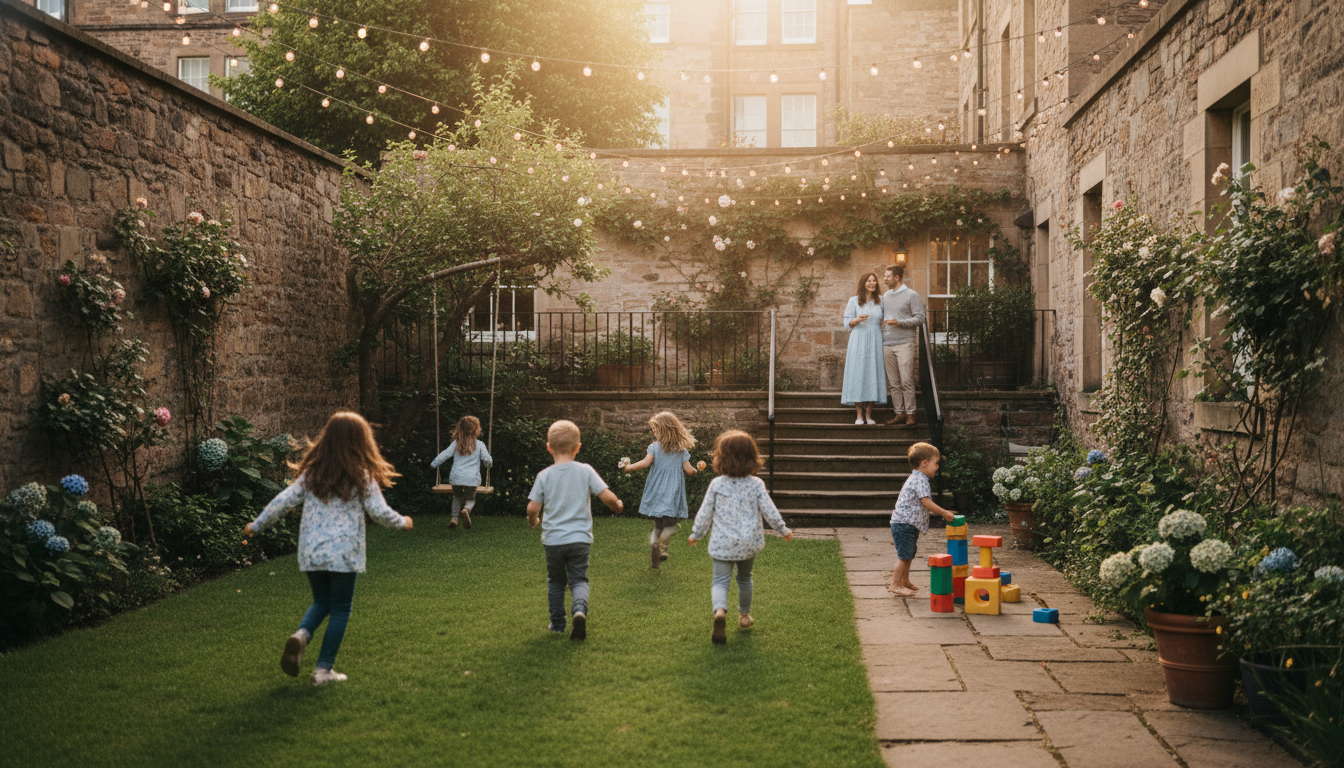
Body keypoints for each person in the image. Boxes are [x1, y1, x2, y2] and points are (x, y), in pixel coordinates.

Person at [245, 411, 413, 686]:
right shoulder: (361, 475)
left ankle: (301, 635)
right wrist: (403, 522)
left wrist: (257, 524)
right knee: (341, 609)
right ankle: (323, 671)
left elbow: (283, 500)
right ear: (362, 442)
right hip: (344, 554)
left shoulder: (312, 474)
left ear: (327, 440)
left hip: (312, 551)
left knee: (322, 601)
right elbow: (380, 512)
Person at [689, 430, 793, 645]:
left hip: (722, 543)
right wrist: (783, 530)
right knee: (745, 578)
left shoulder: (717, 484)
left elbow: (705, 513)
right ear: (752, 457)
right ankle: (744, 616)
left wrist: (696, 534)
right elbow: (769, 510)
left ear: (720, 458)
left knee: (720, 581)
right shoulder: (756, 484)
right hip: (749, 543)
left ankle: (719, 611)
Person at [527, 420, 624, 641]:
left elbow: (532, 507)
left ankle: (558, 624)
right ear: (577, 447)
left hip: (553, 540)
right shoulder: (585, 470)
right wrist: (617, 505)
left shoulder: (544, 475)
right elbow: (607, 496)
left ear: (549, 448)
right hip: (580, 539)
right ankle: (579, 611)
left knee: (556, 581)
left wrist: (533, 521)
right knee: (579, 579)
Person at [621, 411, 699, 569]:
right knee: (670, 523)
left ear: (664, 430)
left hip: (657, 491)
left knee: (657, 526)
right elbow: (689, 471)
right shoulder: (681, 451)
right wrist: (695, 471)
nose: (654, 433)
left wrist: (628, 468)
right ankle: (665, 540)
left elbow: (644, 463)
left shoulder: (654, 448)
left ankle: (654, 561)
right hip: (672, 494)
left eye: (655, 430)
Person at [887, 441, 956, 596]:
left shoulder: (918, 478)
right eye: (936, 463)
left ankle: (904, 581)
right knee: (904, 556)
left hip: (907, 524)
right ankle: (895, 584)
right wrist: (943, 512)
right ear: (924, 463)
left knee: (909, 553)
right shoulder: (920, 479)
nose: (937, 467)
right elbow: (925, 502)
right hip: (904, 524)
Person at [880, 264, 927, 426]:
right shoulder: (885, 296)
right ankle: (899, 413)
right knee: (893, 383)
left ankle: (911, 414)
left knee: (907, 380)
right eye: (884, 276)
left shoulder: (911, 295)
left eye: (887, 276)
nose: (885, 279)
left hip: (905, 343)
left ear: (897, 277)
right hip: (887, 344)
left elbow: (920, 318)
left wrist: (899, 322)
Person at [841, 272, 888, 424]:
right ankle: (859, 415)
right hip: (858, 337)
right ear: (863, 283)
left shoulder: (880, 301)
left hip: (875, 337)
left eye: (874, 281)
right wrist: (857, 320)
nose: (872, 283)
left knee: (873, 372)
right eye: (869, 281)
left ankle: (869, 415)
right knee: (858, 373)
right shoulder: (854, 301)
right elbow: (847, 323)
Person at [430, 415, 492, 529]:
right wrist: (489, 464)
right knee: (470, 498)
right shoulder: (480, 444)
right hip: (472, 479)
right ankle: (466, 510)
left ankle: (454, 518)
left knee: (457, 497)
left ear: (460, 429)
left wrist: (434, 464)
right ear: (477, 429)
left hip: (456, 477)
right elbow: (487, 460)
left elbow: (445, 454)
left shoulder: (456, 443)